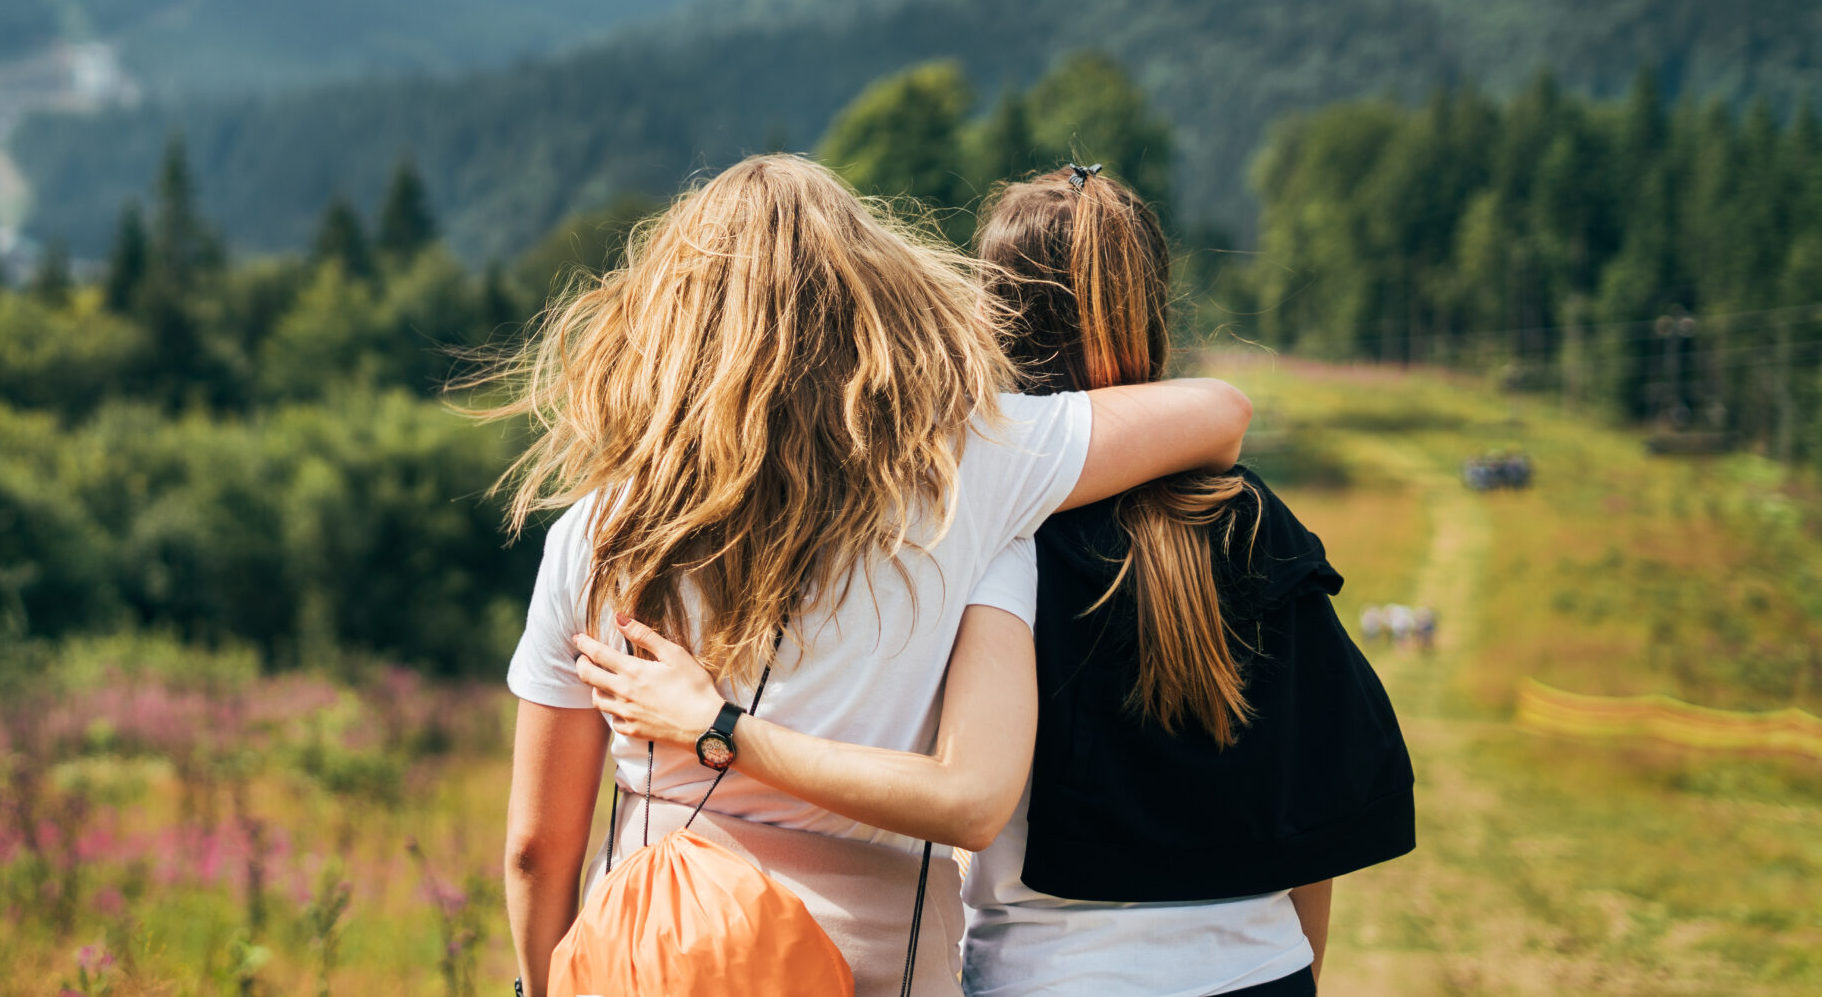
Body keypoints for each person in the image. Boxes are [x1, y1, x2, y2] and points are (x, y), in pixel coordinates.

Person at [581, 165, 1413, 997]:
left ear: (992, 311)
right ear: (1154, 305)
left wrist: (718, 723)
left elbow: (955, 786)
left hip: (1048, 977)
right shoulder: (1254, 520)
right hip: (1262, 968)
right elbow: (1318, 806)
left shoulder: (983, 517)